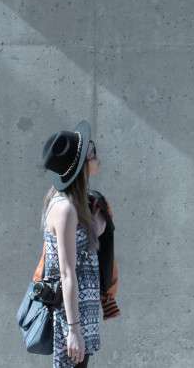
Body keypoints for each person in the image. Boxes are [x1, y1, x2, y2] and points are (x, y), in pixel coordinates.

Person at [41, 121, 120, 367]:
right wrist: (74, 330)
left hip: (83, 312)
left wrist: (95, 230)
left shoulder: (76, 204)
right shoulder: (65, 208)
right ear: (79, 167)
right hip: (70, 318)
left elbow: (78, 250)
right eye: (92, 153)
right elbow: (66, 272)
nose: (98, 155)